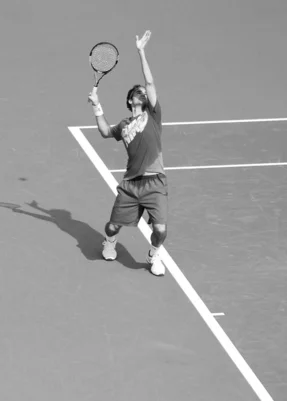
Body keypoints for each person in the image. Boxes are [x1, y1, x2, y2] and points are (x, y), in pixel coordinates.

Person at [87, 30, 168, 276]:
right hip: (131, 185)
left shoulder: (153, 116)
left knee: (161, 231)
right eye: (138, 92)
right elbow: (103, 132)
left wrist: (141, 51)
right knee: (112, 227)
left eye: (144, 93)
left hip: (155, 182)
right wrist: (97, 106)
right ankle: (109, 242)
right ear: (130, 100)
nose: (143, 93)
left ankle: (154, 255)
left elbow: (151, 83)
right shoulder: (123, 126)